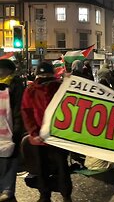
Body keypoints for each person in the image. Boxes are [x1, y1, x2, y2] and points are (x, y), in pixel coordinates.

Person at [21, 62, 72, 202]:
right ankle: (48, 195)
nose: (44, 77)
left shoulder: (59, 87)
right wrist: (34, 132)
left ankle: (62, 194)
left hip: (54, 136)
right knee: (46, 167)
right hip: (45, 137)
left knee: (59, 167)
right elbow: (27, 111)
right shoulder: (32, 90)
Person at [0, 59, 25, 202]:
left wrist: (17, 129)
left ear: (9, 70)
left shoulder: (15, 85)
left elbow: (18, 109)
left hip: (9, 129)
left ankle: (8, 189)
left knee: (9, 160)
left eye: (2, 69)